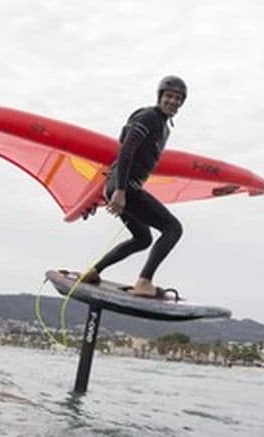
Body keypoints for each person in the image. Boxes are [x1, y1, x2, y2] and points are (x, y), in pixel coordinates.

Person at [80, 76, 187, 298]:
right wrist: (119, 191)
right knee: (173, 229)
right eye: (169, 96)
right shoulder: (149, 117)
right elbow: (126, 150)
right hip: (125, 187)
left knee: (142, 239)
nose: (173, 102)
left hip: (122, 186)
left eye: (178, 99)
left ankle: (93, 272)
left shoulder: (163, 127)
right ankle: (144, 282)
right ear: (160, 96)